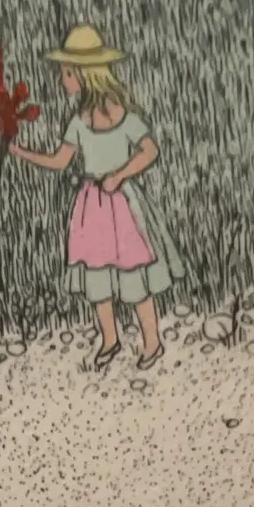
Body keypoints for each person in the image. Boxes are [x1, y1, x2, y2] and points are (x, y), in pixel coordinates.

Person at [13, 23, 181, 370]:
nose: (63, 80)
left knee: (133, 272)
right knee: (96, 272)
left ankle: (152, 341)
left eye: (66, 73)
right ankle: (109, 338)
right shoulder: (78, 121)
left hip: (122, 205)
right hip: (91, 206)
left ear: (82, 73)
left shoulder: (123, 116)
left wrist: (119, 174)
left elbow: (150, 150)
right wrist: (21, 152)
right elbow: (60, 161)